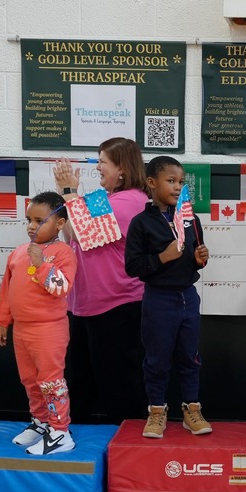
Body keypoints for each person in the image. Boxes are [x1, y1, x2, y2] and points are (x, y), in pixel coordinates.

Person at [54, 138, 147, 422]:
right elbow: (73, 236)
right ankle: (73, 438)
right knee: (80, 378)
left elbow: (87, 233)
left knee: (119, 381)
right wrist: (68, 197)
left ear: (122, 167)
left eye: (102, 162)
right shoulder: (100, 198)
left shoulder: (132, 200)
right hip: (84, 304)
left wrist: (70, 192)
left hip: (117, 305)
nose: (98, 168)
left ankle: (129, 443)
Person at [124, 156, 211, 438]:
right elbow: (133, 267)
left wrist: (200, 259)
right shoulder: (140, 223)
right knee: (157, 359)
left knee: (190, 357)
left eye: (181, 182)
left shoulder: (190, 218)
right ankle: (157, 412)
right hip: (158, 300)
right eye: (170, 181)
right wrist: (163, 257)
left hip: (188, 297)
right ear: (152, 183)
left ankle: (191, 409)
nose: (177, 187)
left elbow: (194, 256)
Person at [0, 192, 78, 456]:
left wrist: (41, 264)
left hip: (48, 330)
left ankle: (60, 431)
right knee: (30, 380)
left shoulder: (63, 252)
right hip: (22, 330)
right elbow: (5, 290)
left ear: (60, 224)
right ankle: (41, 422)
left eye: (39, 220)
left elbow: (61, 287)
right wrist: (2, 322)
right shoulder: (19, 253)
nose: (31, 226)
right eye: (29, 219)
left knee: (51, 381)